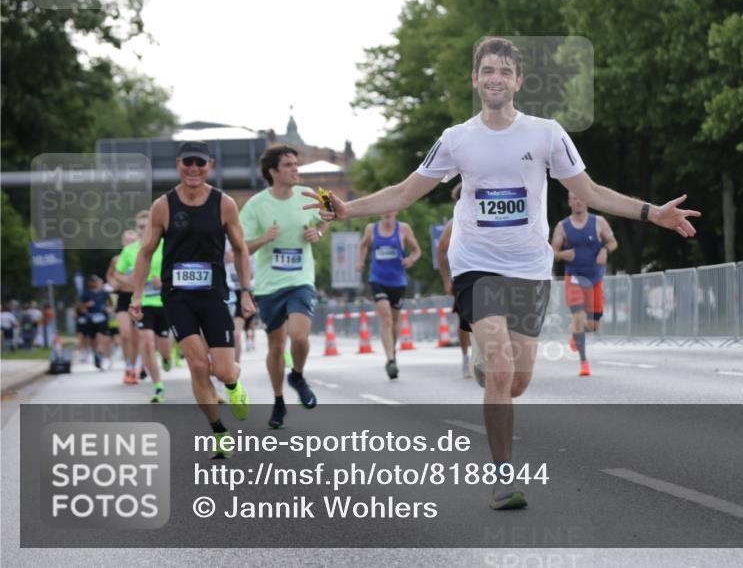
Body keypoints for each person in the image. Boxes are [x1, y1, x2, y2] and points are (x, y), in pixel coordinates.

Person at [306, 37, 700, 509]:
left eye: (504, 71)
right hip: (477, 265)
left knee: (517, 381)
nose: (495, 78)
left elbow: (590, 191)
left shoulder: (547, 134)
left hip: (530, 268)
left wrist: (652, 212)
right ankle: (502, 477)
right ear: (475, 79)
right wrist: (347, 209)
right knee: (500, 367)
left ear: (518, 81)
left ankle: (490, 375)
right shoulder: (456, 140)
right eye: (487, 70)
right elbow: (405, 193)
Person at [130, 141, 254, 456]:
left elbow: (240, 249)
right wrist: (137, 294)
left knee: (223, 370)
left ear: (209, 165)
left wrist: (245, 291)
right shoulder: (163, 206)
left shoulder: (224, 204)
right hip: (178, 299)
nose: (194, 169)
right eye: (188, 163)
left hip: (213, 296)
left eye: (200, 162)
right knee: (198, 365)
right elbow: (145, 252)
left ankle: (233, 384)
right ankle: (218, 431)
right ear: (179, 165)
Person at [240, 145, 327, 429]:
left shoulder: (306, 196)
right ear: (273, 171)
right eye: (288, 165)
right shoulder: (256, 205)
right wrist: (264, 238)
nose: (295, 169)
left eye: (295, 164)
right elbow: (242, 249)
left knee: (299, 337)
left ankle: (298, 375)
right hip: (268, 286)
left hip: (300, 280)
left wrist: (318, 233)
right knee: (276, 345)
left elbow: (323, 222)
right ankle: (278, 400)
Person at [551, 190, 618, 376]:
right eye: (574, 199)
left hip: (595, 277)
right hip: (574, 277)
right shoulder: (562, 227)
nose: (578, 202)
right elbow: (552, 252)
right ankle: (584, 362)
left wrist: (605, 250)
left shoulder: (599, 222)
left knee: (593, 325)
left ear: (586, 201)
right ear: (569, 202)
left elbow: (613, 242)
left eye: (580, 198)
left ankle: (575, 333)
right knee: (579, 316)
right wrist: (563, 254)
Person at [357, 211, 421, 380]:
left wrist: (411, 260)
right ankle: (390, 360)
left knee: (394, 321)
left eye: (390, 209)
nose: (386, 213)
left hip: (398, 281)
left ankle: (392, 350)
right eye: (383, 210)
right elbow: (363, 245)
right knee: (385, 318)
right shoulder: (371, 229)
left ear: (395, 211)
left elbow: (416, 250)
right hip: (377, 279)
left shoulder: (404, 229)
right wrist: (360, 261)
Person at [119, 211, 171, 400]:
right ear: (137, 229)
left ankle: (166, 358)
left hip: (164, 302)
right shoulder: (130, 250)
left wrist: (164, 283)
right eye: (140, 227)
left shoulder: (165, 245)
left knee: (164, 349)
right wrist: (129, 282)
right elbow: (118, 273)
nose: (143, 230)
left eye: (147, 226)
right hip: (143, 304)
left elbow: (178, 271)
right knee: (147, 343)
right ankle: (158, 386)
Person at [437, 182, 473, 378]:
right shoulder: (454, 224)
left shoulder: (486, 218)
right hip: (463, 277)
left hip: (489, 275)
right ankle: (466, 356)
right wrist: (446, 279)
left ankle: (483, 354)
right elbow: (441, 250)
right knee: (465, 321)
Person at [108, 230, 141, 384]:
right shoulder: (117, 259)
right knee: (125, 335)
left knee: (136, 338)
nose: (130, 243)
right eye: (127, 240)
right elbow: (110, 275)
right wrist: (114, 283)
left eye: (133, 240)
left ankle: (134, 366)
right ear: (122, 242)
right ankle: (128, 365)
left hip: (138, 298)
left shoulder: (141, 256)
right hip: (123, 298)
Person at [79, 275, 111, 368]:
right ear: (90, 283)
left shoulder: (104, 293)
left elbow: (109, 306)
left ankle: (101, 354)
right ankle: (96, 354)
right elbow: (80, 308)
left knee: (100, 336)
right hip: (90, 319)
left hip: (102, 318)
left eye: (95, 281)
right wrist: (86, 305)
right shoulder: (86, 294)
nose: (94, 283)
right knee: (93, 339)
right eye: (92, 281)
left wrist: (108, 309)